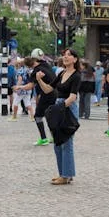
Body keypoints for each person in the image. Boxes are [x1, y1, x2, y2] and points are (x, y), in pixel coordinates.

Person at [35, 49, 81, 185]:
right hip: (59, 106)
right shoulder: (61, 73)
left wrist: (59, 108)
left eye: (69, 55)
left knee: (67, 142)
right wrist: (39, 80)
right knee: (57, 142)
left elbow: (73, 96)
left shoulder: (76, 75)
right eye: (64, 55)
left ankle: (66, 175)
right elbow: (48, 89)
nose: (65, 57)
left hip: (68, 108)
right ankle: (63, 173)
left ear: (75, 59)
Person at [14, 52, 57, 145]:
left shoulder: (35, 72)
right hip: (56, 92)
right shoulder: (45, 64)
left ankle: (44, 139)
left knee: (38, 116)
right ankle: (54, 137)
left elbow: (30, 86)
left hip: (47, 94)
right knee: (49, 115)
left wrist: (19, 87)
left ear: (29, 67)